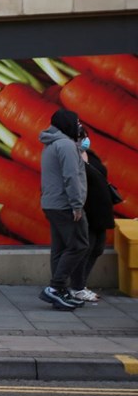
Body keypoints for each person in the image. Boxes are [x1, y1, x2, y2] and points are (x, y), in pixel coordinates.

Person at [38, 110, 88, 311]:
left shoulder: (52, 144)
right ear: (67, 123)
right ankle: (55, 287)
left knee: (59, 248)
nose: (79, 126)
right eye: (77, 122)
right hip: (65, 204)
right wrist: (77, 204)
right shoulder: (66, 145)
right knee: (79, 245)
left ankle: (59, 291)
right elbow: (71, 176)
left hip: (52, 203)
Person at [73, 128, 115, 302]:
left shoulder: (91, 155)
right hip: (86, 209)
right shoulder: (72, 158)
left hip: (100, 210)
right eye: (81, 137)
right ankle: (77, 287)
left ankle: (81, 284)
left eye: (85, 136)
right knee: (86, 247)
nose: (85, 140)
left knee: (98, 248)